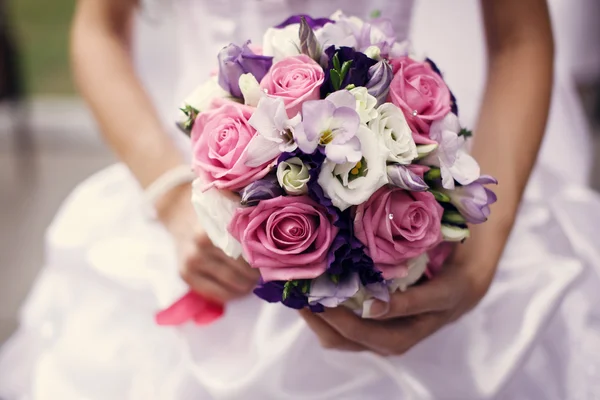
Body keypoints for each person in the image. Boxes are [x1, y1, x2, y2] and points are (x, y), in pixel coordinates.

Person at [1, 0, 599, 398]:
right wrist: (176, 201)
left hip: (404, 229)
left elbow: (520, 40)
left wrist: (477, 261)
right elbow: (99, 30)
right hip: (197, 243)